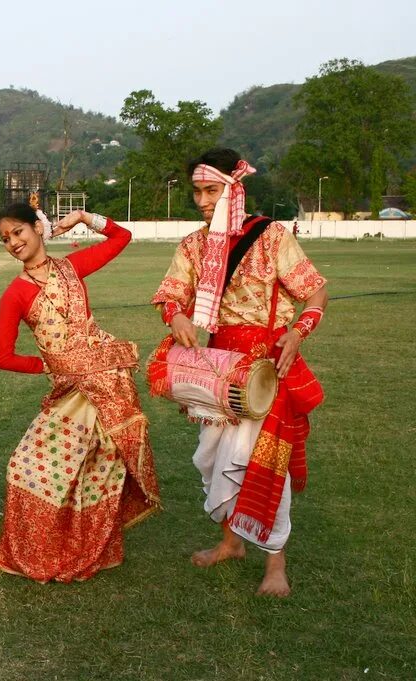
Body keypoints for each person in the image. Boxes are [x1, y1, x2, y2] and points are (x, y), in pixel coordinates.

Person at [152, 148, 328, 597]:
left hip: (268, 369)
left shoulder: (271, 237)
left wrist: (298, 333)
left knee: (266, 464)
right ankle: (231, 543)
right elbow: (170, 294)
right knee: (215, 460)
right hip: (221, 369)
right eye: (197, 191)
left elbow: (315, 292)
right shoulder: (193, 245)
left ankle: (276, 564)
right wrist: (176, 316)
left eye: (211, 190)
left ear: (235, 188)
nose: (202, 200)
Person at [0, 204, 161, 583]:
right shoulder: (15, 294)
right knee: (28, 467)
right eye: (5, 239)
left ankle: (93, 550)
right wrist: (50, 366)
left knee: (98, 472)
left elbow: (122, 237)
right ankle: (49, 551)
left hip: (107, 382)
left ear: (39, 229)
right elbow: (2, 357)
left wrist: (86, 218)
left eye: (18, 232)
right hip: (69, 390)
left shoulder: (72, 267)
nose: (13, 242)